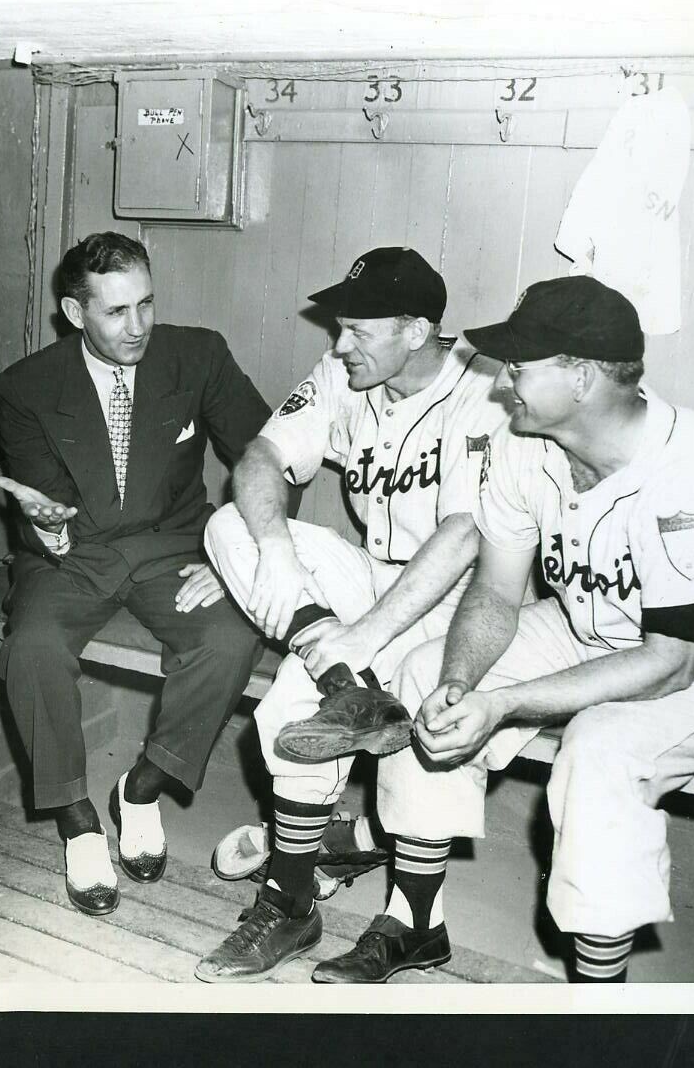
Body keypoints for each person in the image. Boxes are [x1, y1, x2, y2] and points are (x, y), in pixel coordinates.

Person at [313, 276, 694, 984]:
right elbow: (497, 593)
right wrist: (461, 683)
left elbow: (672, 663)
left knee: (600, 748)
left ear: (580, 375)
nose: (504, 384)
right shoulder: (527, 443)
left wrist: (505, 703)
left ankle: (599, 1003)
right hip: (595, 627)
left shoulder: (692, 469)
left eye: (521, 366)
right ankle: (415, 921)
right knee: (425, 676)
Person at [194, 247, 507, 982]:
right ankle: (341, 683)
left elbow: (464, 535)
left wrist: (361, 636)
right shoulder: (345, 371)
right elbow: (258, 460)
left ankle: (383, 912)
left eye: (358, 330)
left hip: (465, 599)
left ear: (418, 328)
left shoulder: (487, 386)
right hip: (367, 582)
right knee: (228, 527)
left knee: (304, 714)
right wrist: (276, 552)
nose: (338, 346)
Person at [0, 232, 270, 915]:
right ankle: (76, 819)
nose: (138, 326)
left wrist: (237, 552)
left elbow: (267, 450)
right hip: (74, 553)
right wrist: (48, 523)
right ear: (73, 310)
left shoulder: (197, 354)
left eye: (146, 304)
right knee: (31, 649)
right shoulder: (25, 389)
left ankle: (141, 787)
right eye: (116, 312)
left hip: (173, 545)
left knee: (233, 635)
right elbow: (42, 509)